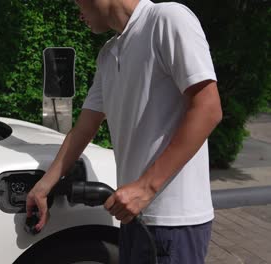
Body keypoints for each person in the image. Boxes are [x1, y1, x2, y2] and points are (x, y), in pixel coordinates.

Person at [26, 0, 223, 263]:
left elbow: (208, 108)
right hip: (133, 217)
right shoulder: (108, 52)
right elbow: (84, 127)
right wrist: (43, 186)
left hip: (173, 221)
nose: (77, 11)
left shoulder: (167, 19)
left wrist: (145, 187)